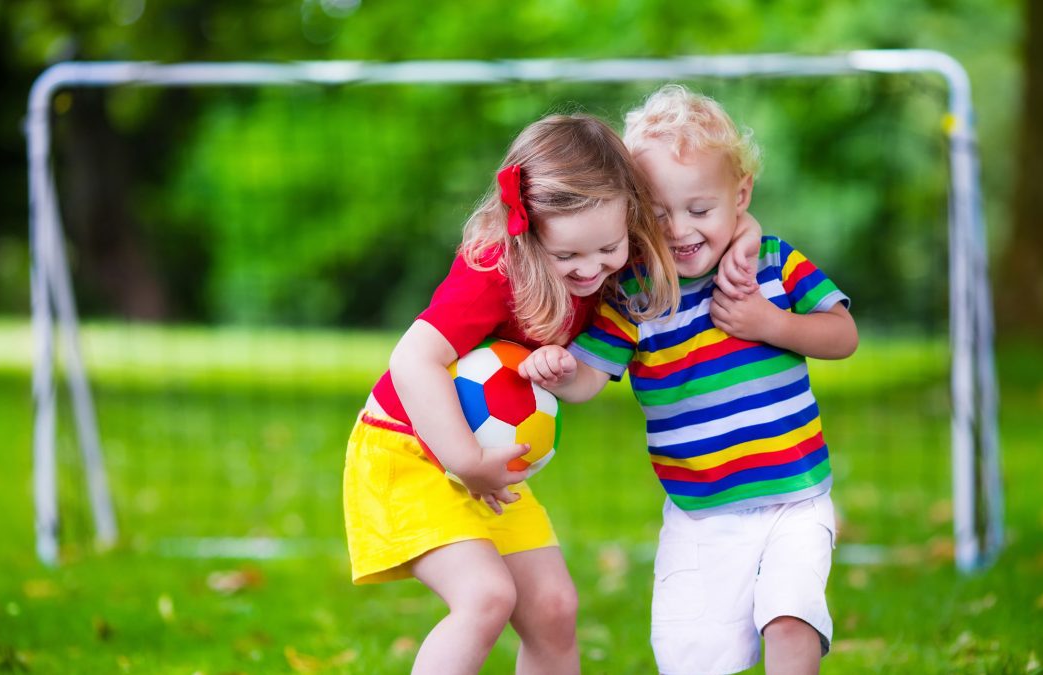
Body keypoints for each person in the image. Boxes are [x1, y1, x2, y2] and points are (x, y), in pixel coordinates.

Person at [344, 112, 760, 675]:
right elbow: (412, 359)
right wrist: (466, 462)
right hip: (410, 451)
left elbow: (713, 216)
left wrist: (749, 236)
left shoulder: (618, 249)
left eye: (607, 249)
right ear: (528, 230)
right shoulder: (493, 270)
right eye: (567, 258)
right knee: (486, 597)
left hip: (487, 460)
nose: (591, 270)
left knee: (554, 608)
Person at [519, 85, 859, 675]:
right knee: (690, 656)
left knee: (791, 618)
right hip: (700, 509)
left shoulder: (773, 263)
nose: (678, 229)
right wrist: (559, 370)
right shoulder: (637, 294)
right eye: (655, 214)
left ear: (741, 195)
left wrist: (771, 323)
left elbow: (842, 335)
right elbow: (590, 379)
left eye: (699, 210)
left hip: (796, 499)